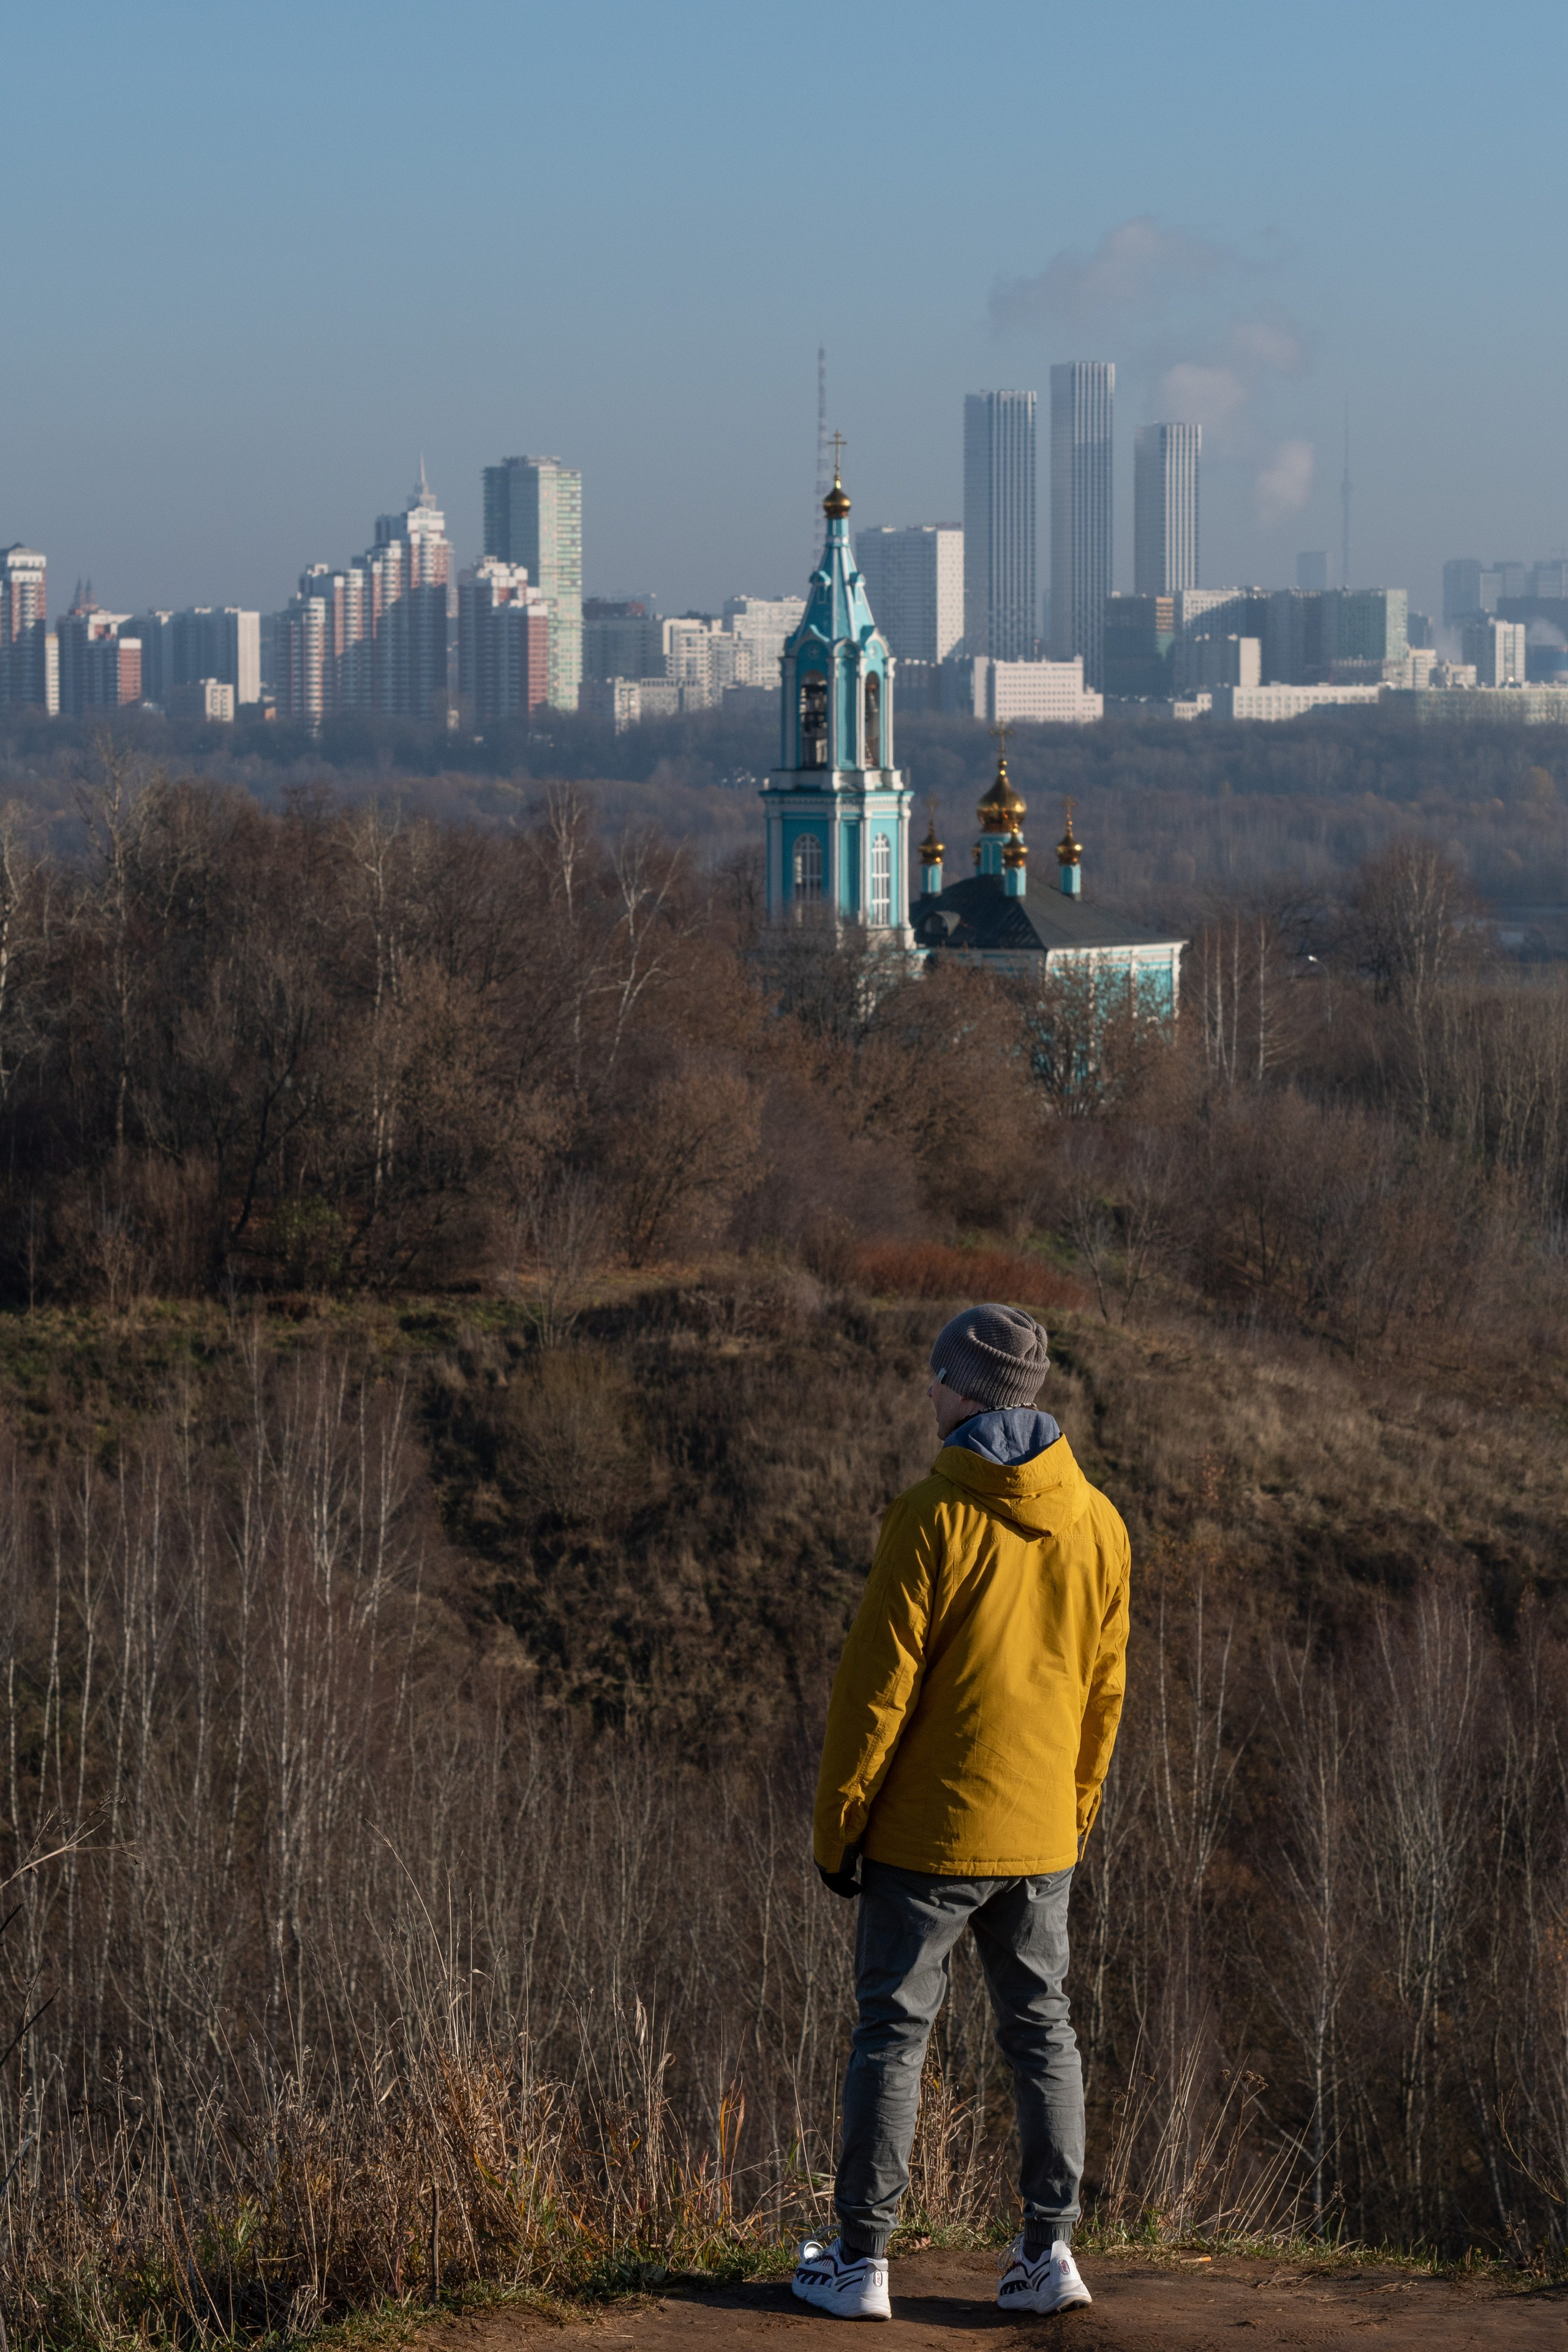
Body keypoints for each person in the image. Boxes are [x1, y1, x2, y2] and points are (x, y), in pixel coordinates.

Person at [791, 1303, 1130, 2323]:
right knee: (1044, 2032)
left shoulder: (931, 1515)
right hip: (1040, 1838)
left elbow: (874, 1692)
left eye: (934, 1377)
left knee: (893, 2034)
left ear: (962, 1390)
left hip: (925, 1838)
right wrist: (1074, 1815)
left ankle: (861, 2263)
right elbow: (1103, 1695)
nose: (926, 1392)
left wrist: (837, 1826)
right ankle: (1047, 2257)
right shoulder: (1100, 1522)